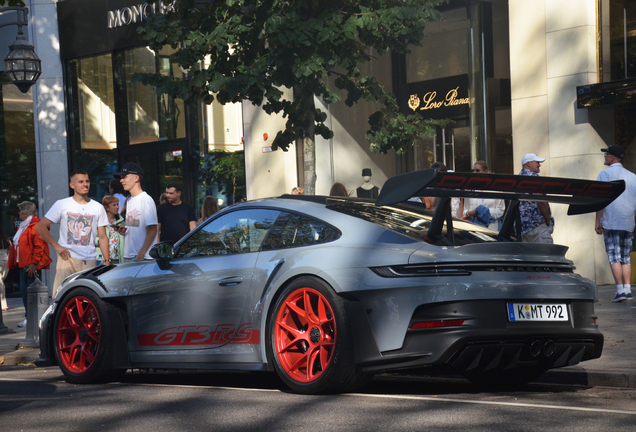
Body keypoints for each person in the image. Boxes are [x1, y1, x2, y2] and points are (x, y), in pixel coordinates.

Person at [37, 170, 110, 298]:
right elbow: (41, 227)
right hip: (67, 259)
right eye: (80, 182)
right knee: (61, 298)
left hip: (90, 261)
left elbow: (103, 236)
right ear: (72, 185)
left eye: (87, 181)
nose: (85, 184)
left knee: (88, 299)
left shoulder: (98, 207)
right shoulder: (62, 204)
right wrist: (57, 246)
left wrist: (107, 260)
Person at [595, 145, 636, 302]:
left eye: (607, 154)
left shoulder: (604, 174)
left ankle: (620, 290)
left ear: (612, 157)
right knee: (625, 256)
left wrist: (597, 220)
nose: (605, 157)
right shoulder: (633, 176)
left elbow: (600, 199)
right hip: (628, 221)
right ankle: (627, 288)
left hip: (611, 220)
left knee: (614, 256)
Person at [8, 202, 52, 326]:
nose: (18, 213)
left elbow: (39, 246)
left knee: (30, 292)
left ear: (26, 213)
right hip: (24, 263)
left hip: (30, 265)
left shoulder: (34, 226)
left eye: (20, 211)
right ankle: (30, 317)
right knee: (26, 292)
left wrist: (33, 263)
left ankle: (32, 318)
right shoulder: (24, 226)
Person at [117, 162, 158, 261]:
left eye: (124, 177)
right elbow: (134, 226)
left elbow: (153, 229)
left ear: (136, 178)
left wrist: (141, 253)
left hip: (142, 257)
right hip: (130, 255)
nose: (121, 180)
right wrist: (124, 231)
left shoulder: (146, 199)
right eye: (121, 177)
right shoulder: (130, 200)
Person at [518, 153, 553, 243]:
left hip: (522, 228)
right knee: (547, 255)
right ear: (528, 164)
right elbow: (541, 201)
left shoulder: (517, 178)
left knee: (529, 256)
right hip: (537, 225)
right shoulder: (534, 178)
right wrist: (548, 220)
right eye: (537, 162)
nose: (539, 165)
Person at [463, 161, 505, 231]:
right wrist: (470, 213)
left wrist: (485, 213)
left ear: (485, 171)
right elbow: (465, 211)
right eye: (474, 170)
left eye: (478, 171)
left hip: (492, 226)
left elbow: (501, 210)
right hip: (474, 226)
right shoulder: (470, 189)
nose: (475, 173)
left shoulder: (495, 188)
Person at [96, 196, 125, 264]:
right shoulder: (100, 221)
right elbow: (96, 241)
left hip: (118, 259)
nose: (117, 207)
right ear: (107, 208)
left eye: (117, 204)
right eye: (114, 205)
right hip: (103, 259)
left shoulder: (121, 221)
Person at [0, 224, 11, 312]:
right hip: (5, 262)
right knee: (1, 282)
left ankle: (3, 304)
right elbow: (10, 249)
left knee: (1, 284)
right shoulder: (6, 239)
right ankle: (3, 304)